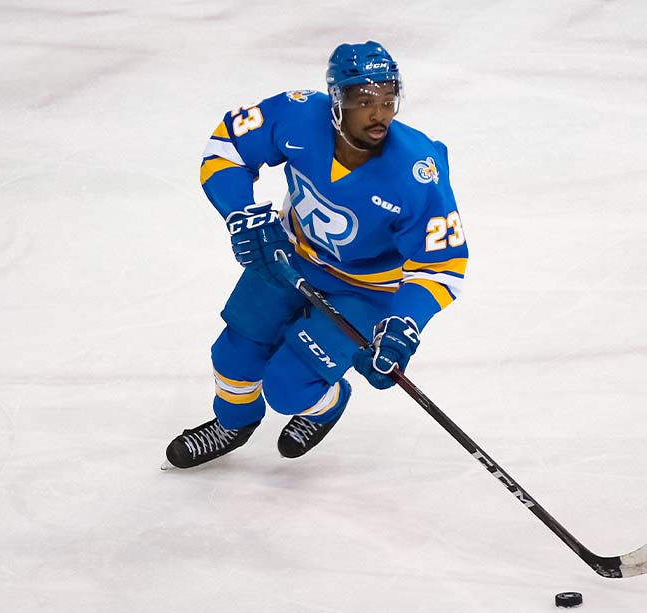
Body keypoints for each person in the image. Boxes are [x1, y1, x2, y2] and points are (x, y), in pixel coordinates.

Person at [164, 41, 468, 469]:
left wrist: (403, 324)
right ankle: (234, 422)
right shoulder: (297, 115)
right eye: (364, 101)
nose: (379, 114)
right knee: (234, 354)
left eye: (387, 99)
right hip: (289, 257)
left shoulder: (416, 171)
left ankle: (328, 403)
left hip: (365, 291)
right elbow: (226, 148)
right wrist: (241, 215)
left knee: (288, 388)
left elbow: (443, 265)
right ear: (336, 100)